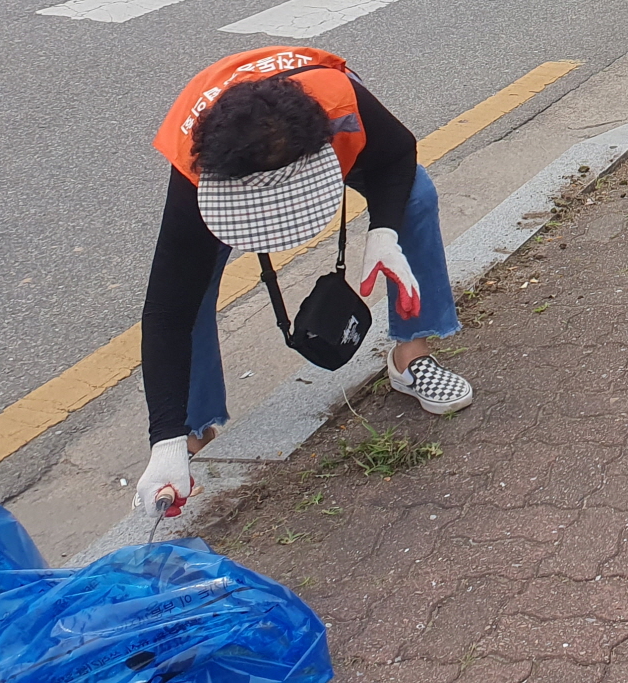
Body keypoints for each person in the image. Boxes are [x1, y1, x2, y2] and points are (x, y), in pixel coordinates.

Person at [134, 47, 471, 519]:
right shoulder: (196, 161)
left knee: (417, 195)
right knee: (195, 280)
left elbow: (397, 155)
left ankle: (411, 354)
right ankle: (189, 429)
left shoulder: (341, 103)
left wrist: (385, 232)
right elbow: (166, 311)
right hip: (232, 158)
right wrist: (162, 436)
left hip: (311, 137)